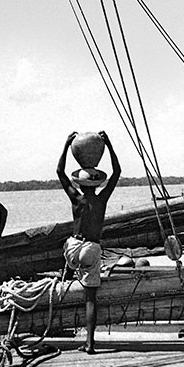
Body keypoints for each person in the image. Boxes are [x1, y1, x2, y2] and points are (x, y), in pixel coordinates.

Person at [57, 131, 121, 354]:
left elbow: (60, 172)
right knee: (90, 299)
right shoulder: (101, 198)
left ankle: (66, 273)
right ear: (96, 182)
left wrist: (66, 145)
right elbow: (117, 173)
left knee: (67, 244)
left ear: (81, 182)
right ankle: (90, 343)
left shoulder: (76, 198)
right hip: (91, 248)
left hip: (73, 248)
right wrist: (109, 144)